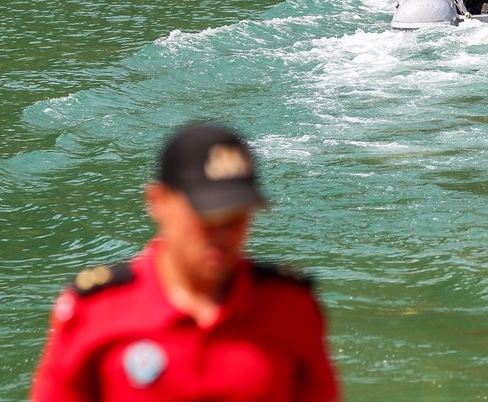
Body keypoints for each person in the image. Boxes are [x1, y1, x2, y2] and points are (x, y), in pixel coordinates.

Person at [30, 123, 340, 402]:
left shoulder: (291, 310)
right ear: (157, 201)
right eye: (206, 215)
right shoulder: (96, 312)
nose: (222, 234)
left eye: (235, 217)